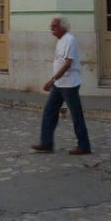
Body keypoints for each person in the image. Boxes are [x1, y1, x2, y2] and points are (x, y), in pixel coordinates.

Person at [32, 15, 91, 155]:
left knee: (76, 115)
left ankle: (84, 146)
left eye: (54, 26)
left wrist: (52, 80)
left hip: (69, 84)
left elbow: (67, 64)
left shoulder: (70, 40)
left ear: (63, 27)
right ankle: (46, 143)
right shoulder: (60, 40)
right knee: (49, 112)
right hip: (59, 84)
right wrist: (55, 81)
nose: (52, 29)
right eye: (51, 26)